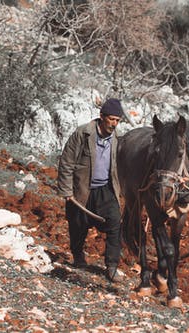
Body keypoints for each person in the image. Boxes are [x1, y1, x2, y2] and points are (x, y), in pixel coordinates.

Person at [57, 98, 123, 282]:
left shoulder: (117, 139)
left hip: (105, 189)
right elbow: (67, 162)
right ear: (101, 117)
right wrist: (66, 190)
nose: (114, 124)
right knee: (77, 224)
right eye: (111, 119)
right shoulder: (83, 133)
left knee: (115, 222)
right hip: (82, 189)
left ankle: (111, 266)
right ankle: (78, 255)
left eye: (118, 120)